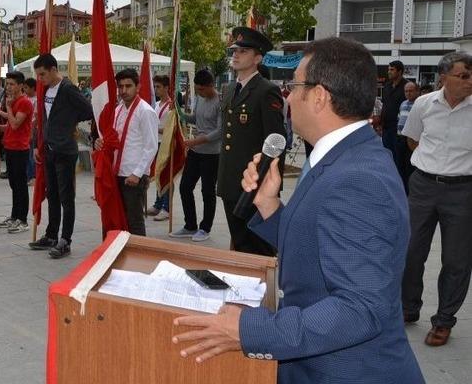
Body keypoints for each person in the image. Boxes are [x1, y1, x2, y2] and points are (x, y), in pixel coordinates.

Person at [172, 37, 424, 383]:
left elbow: (360, 308)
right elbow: (320, 247)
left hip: (345, 372)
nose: (287, 96)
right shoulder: (342, 157)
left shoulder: (359, 179)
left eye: (294, 86)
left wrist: (249, 330)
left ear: (319, 96)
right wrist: (270, 207)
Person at [401, 51, 472, 347]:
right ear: (443, 78)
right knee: (410, 250)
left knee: (457, 259)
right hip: (423, 186)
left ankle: (444, 320)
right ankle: (407, 308)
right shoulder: (423, 104)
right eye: (463, 76)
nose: (469, 81)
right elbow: (412, 139)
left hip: (463, 190)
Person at [217, 27, 286, 256]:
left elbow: (275, 141)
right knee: (239, 241)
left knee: (258, 248)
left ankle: (262, 290)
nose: (236, 55)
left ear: (258, 58)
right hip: (230, 181)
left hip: (253, 185)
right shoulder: (229, 90)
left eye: (243, 51)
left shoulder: (266, 91)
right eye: (235, 50)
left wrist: (268, 185)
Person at [28, 54, 94, 259]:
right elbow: (45, 118)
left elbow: (87, 110)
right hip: (49, 149)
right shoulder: (46, 89)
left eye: (43, 74)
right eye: (38, 75)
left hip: (65, 150)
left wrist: (68, 124)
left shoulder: (67, 88)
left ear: (54, 69)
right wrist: (38, 144)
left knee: (66, 198)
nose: (40, 79)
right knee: (53, 195)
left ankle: (65, 239)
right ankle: (51, 235)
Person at [95, 68, 158, 236]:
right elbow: (113, 138)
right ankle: (116, 253)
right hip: (116, 172)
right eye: (120, 86)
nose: (123, 90)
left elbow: (151, 146)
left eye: (128, 86)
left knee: (134, 220)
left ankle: (138, 259)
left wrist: (137, 174)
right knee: (114, 216)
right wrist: (100, 143)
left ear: (138, 87)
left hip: (133, 175)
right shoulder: (117, 110)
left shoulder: (145, 111)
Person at [170, 68, 222, 241]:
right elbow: (195, 118)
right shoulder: (200, 99)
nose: (199, 92)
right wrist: (181, 114)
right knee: (185, 187)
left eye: (202, 89)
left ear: (211, 85)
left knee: (207, 191)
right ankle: (190, 225)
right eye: (197, 89)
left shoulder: (220, 101)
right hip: (195, 151)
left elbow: (220, 131)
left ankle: (205, 228)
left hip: (212, 154)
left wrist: (197, 141)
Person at [0, 71, 33, 230]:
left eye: (12, 84)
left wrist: (8, 108)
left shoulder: (24, 102)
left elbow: (16, 123)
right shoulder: (14, 102)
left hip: (20, 148)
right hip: (10, 146)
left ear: (20, 86)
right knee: (13, 184)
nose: (8, 87)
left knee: (20, 185)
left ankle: (23, 219)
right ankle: (14, 215)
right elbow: (10, 126)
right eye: (7, 84)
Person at [147, 75, 173, 220]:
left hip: (166, 144)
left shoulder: (171, 106)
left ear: (166, 88)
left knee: (166, 176)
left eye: (158, 87)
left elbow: (171, 128)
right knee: (157, 174)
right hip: (155, 143)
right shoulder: (157, 105)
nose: (156, 89)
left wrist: (155, 128)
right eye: (155, 87)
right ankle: (158, 204)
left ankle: (166, 208)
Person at [380, 60, 409, 166]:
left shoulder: (407, 87)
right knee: (386, 156)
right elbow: (384, 105)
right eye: (388, 69)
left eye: (392, 70)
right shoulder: (387, 86)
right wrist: (381, 124)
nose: (389, 72)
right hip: (386, 128)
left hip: (400, 130)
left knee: (398, 160)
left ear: (400, 71)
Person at [395, 81, 420, 193]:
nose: (408, 93)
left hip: (412, 140)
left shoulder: (420, 104)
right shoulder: (403, 104)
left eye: (411, 91)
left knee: (410, 167)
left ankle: (411, 191)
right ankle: (401, 189)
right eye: (406, 91)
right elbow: (399, 118)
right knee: (399, 166)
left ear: (417, 91)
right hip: (400, 138)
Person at [23, 77, 37, 186]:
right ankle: (27, 175)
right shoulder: (25, 98)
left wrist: (32, 132)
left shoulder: (36, 100)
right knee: (26, 153)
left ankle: (32, 176)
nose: (25, 89)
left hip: (32, 129)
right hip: (25, 129)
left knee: (30, 154)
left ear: (33, 88)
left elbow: (35, 118)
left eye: (26, 88)